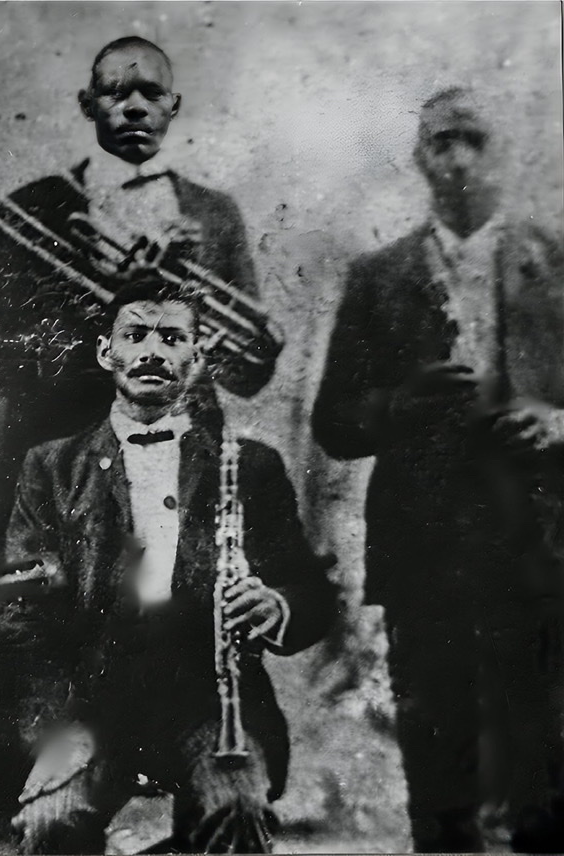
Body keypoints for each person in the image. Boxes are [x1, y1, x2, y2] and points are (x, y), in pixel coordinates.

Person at [1, 273, 333, 853]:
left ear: (200, 357)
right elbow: (18, 615)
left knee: (236, 809)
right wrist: (58, 724)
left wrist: (275, 604)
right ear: (107, 351)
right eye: (135, 335)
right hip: (90, 705)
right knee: (49, 823)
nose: (152, 352)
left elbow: (310, 591)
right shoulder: (51, 466)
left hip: (210, 706)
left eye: (172, 339)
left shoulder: (249, 467)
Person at [313, 87, 564, 852]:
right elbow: (333, 423)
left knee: (546, 773)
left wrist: (560, 422)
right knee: (439, 774)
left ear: (501, 152)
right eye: (440, 143)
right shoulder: (377, 276)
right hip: (426, 557)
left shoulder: (555, 263)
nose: (456, 159)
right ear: (419, 158)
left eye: (473, 140)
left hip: (539, 551)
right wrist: (398, 404)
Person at [0, 35, 278, 542]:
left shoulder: (215, 215)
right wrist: (108, 299)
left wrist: (193, 298)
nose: (134, 108)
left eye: (152, 94)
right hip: (60, 460)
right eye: (114, 92)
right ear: (88, 104)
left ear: (174, 105)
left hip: (185, 458)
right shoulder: (31, 208)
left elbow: (246, 374)